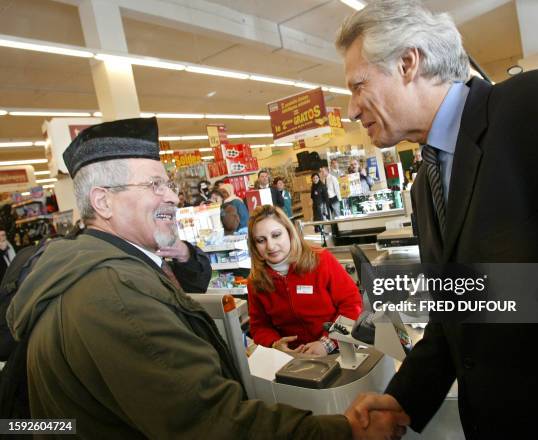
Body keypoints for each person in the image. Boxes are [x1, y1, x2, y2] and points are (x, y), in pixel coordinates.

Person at [5, 117, 406, 439]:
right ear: (103, 201)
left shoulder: (86, 272)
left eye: (168, 183)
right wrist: (345, 430)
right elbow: (211, 422)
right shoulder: (116, 293)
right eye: (154, 184)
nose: (174, 196)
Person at [337, 1, 538, 438]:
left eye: (358, 86)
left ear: (409, 63)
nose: (351, 110)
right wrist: (404, 398)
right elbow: (456, 314)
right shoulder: (424, 188)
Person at [247, 205, 362, 356]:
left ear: (289, 233)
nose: (270, 246)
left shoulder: (320, 260)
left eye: (276, 235)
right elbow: (259, 326)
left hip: (339, 349)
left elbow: (352, 305)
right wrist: (275, 344)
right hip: (291, 359)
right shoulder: (256, 281)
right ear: (255, 246)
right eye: (261, 240)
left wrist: (328, 343)